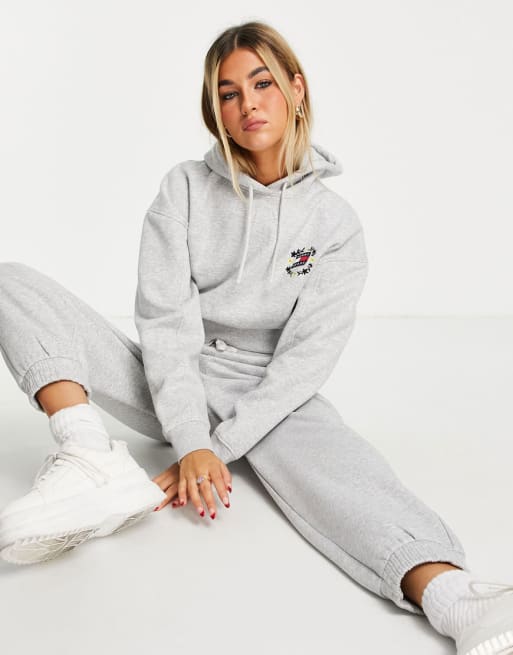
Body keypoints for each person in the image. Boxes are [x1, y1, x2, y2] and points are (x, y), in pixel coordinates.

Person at [0, 20, 512, 655]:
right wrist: (189, 437)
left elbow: (305, 360)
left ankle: (456, 595)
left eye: (262, 84)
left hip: (272, 394)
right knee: (12, 283)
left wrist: (215, 449)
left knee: (343, 477)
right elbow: (165, 322)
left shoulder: (335, 225)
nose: (247, 104)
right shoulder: (184, 188)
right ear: (215, 109)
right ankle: (87, 455)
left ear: (296, 89)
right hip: (173, 375)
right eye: (228, 93)